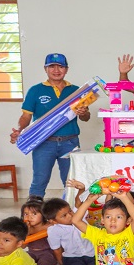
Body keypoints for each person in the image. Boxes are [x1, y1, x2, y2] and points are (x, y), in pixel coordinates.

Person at [10, 53, 91, 198]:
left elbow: (86, 118)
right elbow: (26, 116)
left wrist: (83, 112)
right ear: (45, 69)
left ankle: (72, 216)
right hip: (43, 142)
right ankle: (33, 216)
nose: (56, 70)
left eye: (60, 66)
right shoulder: (35, 90)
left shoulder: (76, 91)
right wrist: (20, 130)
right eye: (51, 66)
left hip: (70, 142)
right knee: (39, 181)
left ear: (66, 69)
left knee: (72, 182)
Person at [42, 198, 96, 265]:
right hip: (72, 256)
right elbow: (56, 249)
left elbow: (79, 201)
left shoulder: (79, 216)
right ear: (53, 221)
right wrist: (61, 263)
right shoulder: (54, 230)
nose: (70, 215)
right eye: (64, 215)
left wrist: (81, 189)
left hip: (92, 253)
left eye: (70, 211)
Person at [21, 196, 57, 265]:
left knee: (46, 261)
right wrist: (26, 232)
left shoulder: (50, 226)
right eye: (26, 214)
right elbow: (22, 246)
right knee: (23, 259)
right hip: (32, 252)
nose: (29, 217)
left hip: (47, 253)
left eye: (34, 214)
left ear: (43, 215)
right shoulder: (26, 228)